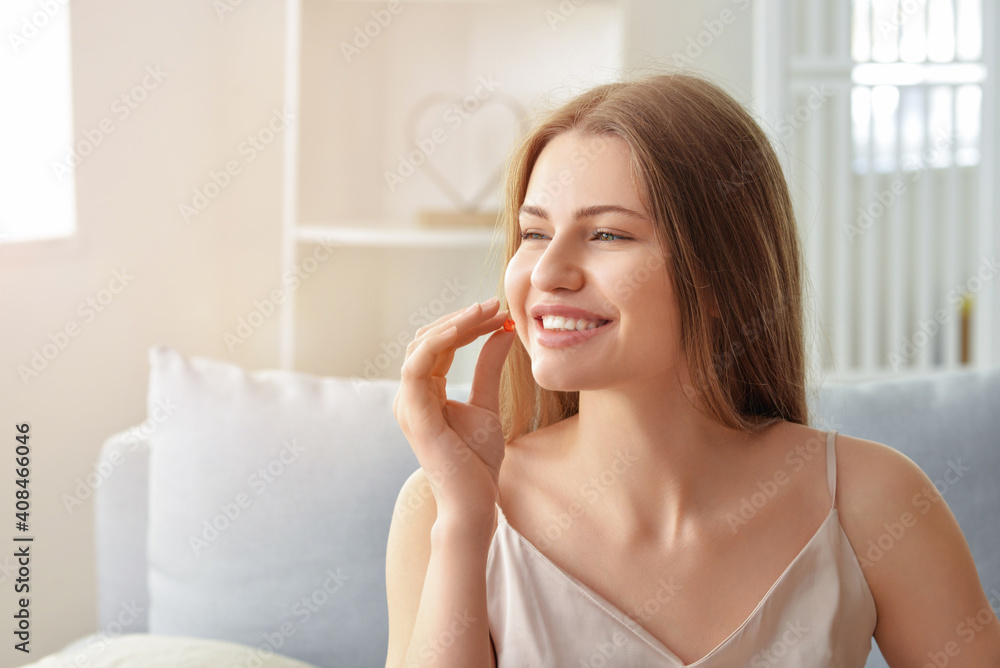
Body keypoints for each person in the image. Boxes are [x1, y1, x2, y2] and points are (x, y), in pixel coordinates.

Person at [383, 73, 1000, 667]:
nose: (547, 274)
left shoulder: (875, 501)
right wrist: (464, 520)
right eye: (535, 233)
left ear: (722, 272)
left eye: (606, 234)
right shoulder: (443, 509)